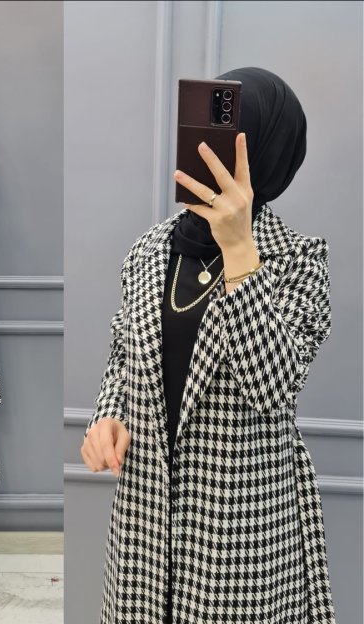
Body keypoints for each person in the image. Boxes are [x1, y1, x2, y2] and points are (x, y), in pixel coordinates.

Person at [81, 67, 336, 623]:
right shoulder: (150, 248)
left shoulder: (298, 262)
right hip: (145, 525)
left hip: (239, 538)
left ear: (267, 154)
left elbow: (273, 388)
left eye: (234, 145)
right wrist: (108, 415)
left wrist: (240, 251)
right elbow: (124, 352)